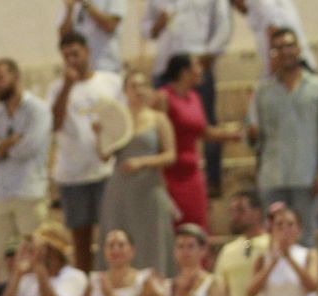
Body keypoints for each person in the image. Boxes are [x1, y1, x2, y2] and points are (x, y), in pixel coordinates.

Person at [247, 27, 318, 244]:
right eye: (278, 48)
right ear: (272, 54)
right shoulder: (262, 91)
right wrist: (252, 135)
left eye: (289, 45)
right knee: (275, 239)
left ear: (298, 49)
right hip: (273, 176)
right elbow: (254, 138)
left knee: (305, 236)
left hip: (307, 175)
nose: (285, 51)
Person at [49, 33, 123, 273]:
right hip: (72, 174)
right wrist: (67, 87)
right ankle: (84, 283)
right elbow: (54, 124)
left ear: (87, 52)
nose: (72, 59)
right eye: (66, 55)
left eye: (75, 53)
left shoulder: (110, 82)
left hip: (105, 170)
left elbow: (122, 120)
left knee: (111, 235)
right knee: (80, 239)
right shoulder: (56, 88)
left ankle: (110, 282)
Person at [148, 0, 233, 195]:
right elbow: (147, 30)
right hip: (165, 67)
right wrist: (157, 25)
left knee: (205, 121)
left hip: (197, 64)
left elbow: (223, 24)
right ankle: (159, 180)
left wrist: (208, 55)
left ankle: (212, 181)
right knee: (157, 128)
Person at [99, 72, 177, 278]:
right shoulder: (118, 119)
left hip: (148, 187)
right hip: (121, 189)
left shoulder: (158, 119)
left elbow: (170, 155)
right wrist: (99, 135)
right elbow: (104, 156)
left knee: (151, 239)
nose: (139, 90)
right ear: (125, 91)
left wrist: (142, 162)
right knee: (119, 236)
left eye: (143, 85)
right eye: (134, 86)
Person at [0, 58, 53, 267]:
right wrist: (9, 142)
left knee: (35, 256)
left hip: (29, 191)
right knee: (3, 259)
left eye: (0, 78)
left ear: (16, 76)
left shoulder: (38, 110)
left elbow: (28, 148)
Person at [158, 55, 226, 229]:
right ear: (184, 72)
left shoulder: (195, 97)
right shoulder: (163, 97)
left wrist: (230, 135)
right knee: (174, 225)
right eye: (196, 66)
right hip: (170, 172)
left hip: (192, 170)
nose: (201, 70)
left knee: (197, 223)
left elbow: (201, 131)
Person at [62, 0, 126, 72]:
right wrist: (69, 10)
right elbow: (63, 36)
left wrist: (85, 3)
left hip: (106, 67)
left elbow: (110, 25)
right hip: (80, 71)